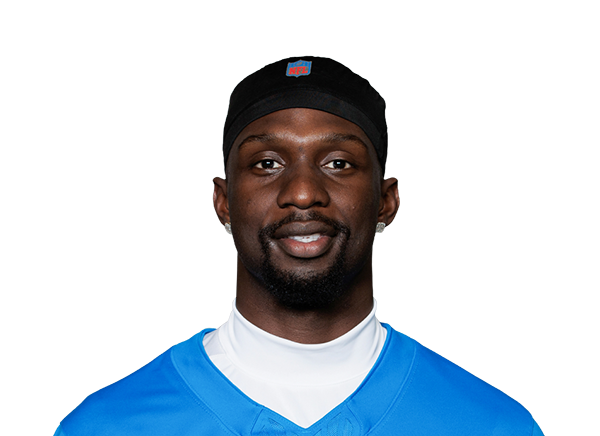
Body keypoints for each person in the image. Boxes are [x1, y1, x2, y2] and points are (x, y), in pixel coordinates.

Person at [54, 56, 543, 435]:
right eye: (266, 163)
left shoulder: (495, 426)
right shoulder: (104, 427)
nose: (304, 193)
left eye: (338, 163)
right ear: (223, 202)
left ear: (386, 202)